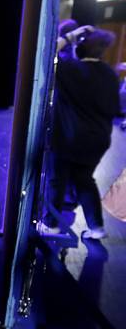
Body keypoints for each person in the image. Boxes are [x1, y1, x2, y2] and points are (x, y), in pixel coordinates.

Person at [42, 26, 121, 239]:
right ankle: (97, 228)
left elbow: (47, 54)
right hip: (98, 140)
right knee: (85, 180)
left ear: (80, 48)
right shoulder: (110, 75)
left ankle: (52, 225)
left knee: (56, 181)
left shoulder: (72, 70)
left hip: (69, 138)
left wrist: (70, 36)